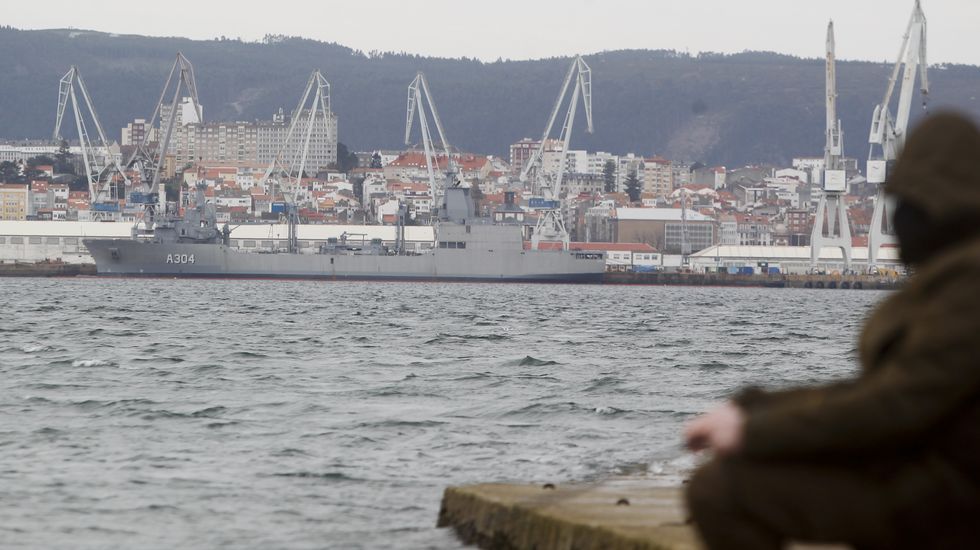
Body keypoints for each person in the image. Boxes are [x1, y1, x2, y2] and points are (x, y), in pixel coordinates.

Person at [683, 112, 980, 550]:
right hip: (939, 476)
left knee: (719, 490)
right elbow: (888, 390)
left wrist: (753, 429)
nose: (899, 221)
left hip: (952, 497)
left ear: (937, 207)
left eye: (907, 206)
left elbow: (895, 404)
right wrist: (755, 409)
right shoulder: (953, 278)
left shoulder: (967, 286)